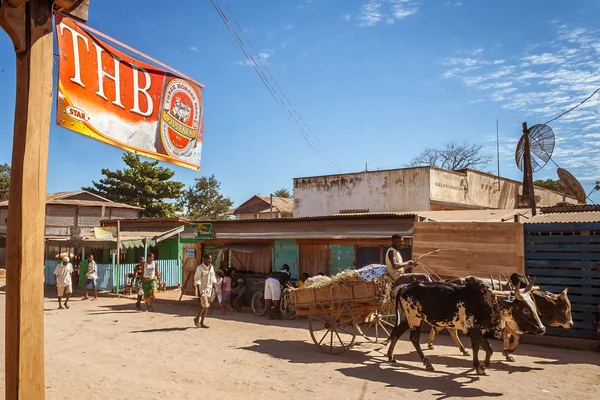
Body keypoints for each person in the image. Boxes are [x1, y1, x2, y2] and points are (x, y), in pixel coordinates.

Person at [194, 254, 217, 328]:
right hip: (202, 288)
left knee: (206, 306)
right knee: (205, 304)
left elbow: (213, 278)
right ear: (205, 259)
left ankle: (202, 322)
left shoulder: (211, 267)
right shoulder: (200, 268)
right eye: (209, 259)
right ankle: (197, 318)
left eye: (211, 259)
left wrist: (215, 288)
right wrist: (198, 290)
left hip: (209, 288)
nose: (210, 260)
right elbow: (197, 278)